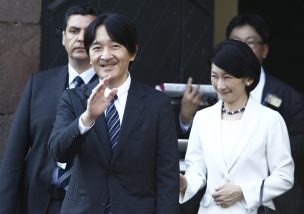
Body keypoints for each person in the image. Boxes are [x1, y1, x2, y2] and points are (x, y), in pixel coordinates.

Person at [48, 13, 180, 213]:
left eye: (115, 46)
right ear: (90, 55)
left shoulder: (157, 104)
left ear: (133, 52)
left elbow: (167, 177)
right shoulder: (73, 98)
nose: (106, 55)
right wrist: (87, 118)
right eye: (97, 48)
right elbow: (58, 151)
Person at [179, 13, 304, 213]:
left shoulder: (270, 119)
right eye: (214, 76)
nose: (220, 85)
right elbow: (197, 170)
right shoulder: (203, 118)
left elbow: (284, 176)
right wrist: (184, 183)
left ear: (247, 79)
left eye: (227, 77)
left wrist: (244, 191)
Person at [0, 4, 99, 214]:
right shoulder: (38, 85)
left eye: (88, 32)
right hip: (39, 203)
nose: (80, 38)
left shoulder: (112, 90)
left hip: (90, 206)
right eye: (74, 31)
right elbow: (13, 157)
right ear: (63, 37)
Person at [226, 13, 304, 214]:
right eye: (235, 42)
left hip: (274, 202)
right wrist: (186, 117)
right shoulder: (214, 91)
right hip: (223, 199)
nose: (242, 49)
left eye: (250, 43)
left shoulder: (290, 98)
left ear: (264, 50)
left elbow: (298, 148)